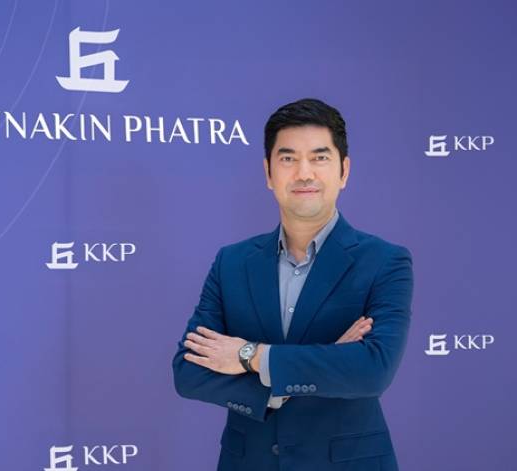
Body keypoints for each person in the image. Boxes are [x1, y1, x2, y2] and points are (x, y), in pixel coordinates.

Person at [171, 98, 414, 471]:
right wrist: (305, 374)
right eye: (288, 158)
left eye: (319, 157)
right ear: (268, 172)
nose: (304, 173)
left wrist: (249, 356)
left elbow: (372, 370)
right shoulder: (231, 262)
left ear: (344, 171)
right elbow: (189, 373)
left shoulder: (385, 261)